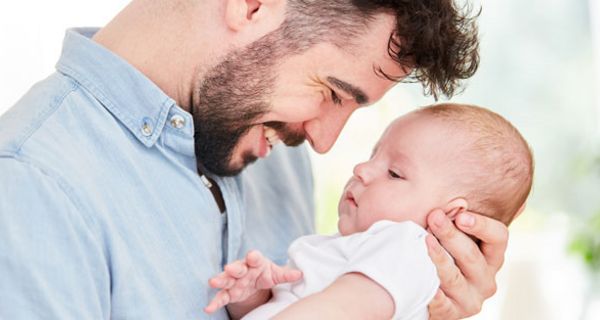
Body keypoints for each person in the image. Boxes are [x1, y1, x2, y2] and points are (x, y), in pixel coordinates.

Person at [0, 0, 505, 319]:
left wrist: (421, 305)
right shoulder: (30, 187)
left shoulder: (272, 151)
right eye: (331, 92)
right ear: (252, 6)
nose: (325, 142)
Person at [205, 103, 534, 319]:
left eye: (394, 173)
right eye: (373, 155)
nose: (362, 169)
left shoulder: (409, 248)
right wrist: (254, 296)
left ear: (448, 216)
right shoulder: (356, 251)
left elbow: (341, 311)